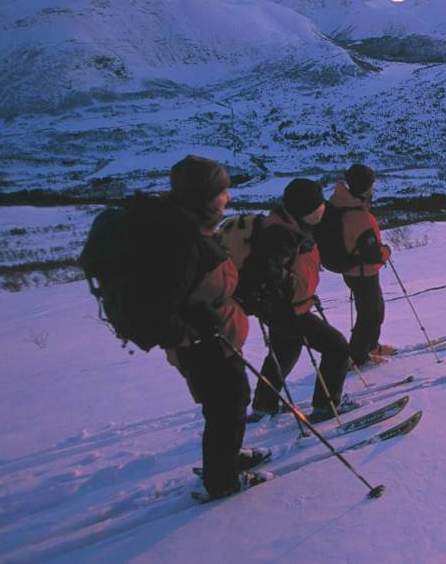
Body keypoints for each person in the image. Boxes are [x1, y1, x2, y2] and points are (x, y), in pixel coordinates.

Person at [156, 155, 268, 499]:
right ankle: (222, 482)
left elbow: (204, 288)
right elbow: (163, 305)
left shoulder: (191, 230)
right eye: (222, 192)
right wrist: (196, 323)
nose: (228, 198)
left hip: (213, 338)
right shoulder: (182, 242)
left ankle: (226, 458)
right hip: (203, 344)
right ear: (204, 197)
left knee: (227, 404)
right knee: (227, 405)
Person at [241, 178, 355, 424]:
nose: (323, 208)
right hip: (290, 310)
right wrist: (293, 287)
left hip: (281, 309)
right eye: (319, 205)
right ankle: (327, 406)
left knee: (283, 352)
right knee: (337, 348)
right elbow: (268, 270)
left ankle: (264, 405)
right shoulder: (283, 235)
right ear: (309, 210)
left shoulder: (287, 225)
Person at [328, 164, 395, 368]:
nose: (374, 189)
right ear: (366, 187)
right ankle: (358, 357)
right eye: (372, 185)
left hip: (352, 269)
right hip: (363, 270)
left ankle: (370, 346)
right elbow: (373, 255)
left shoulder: (341, 203)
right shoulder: (359, 215)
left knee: (371, 309)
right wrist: (386, 251)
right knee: (371, 313)